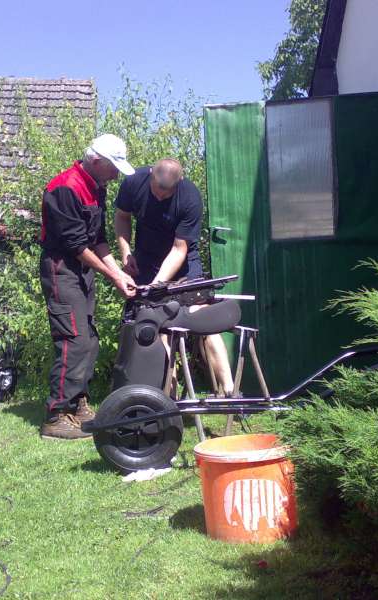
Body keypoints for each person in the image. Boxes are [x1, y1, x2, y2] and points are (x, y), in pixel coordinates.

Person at [39, 134, 136, 440]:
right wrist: (113, 277)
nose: (116, 175)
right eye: (113, 167)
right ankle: (56, 416)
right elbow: (77, 245)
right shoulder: (65, 188)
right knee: (74, 339)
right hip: (62, 269)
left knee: (90, 339)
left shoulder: (97, 186)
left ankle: (78, 404)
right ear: (96, 161)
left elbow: (98, 239)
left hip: (82, 269)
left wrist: (119, 271)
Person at [114, 158, 235, 395]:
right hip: (146, 260)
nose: (160, 197)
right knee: (157, 323)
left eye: (166, 194)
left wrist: (156, 286)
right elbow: (122, 216)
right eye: (156, 191)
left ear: (180, 182)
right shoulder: (133, 183)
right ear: (150, 174)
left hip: (184, 264)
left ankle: (229, 390)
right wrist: (126, 253)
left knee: (204, 318)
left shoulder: (190, 198)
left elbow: (179, 250)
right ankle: (166, 394)